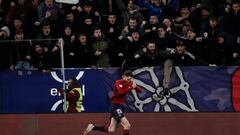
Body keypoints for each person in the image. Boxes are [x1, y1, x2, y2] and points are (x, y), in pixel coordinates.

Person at [84, 70, 142, 135]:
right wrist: (131, 87)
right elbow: (121, 92)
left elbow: (140, 91)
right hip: (115, 106)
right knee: (127, 125)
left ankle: (92, 127)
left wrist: (135, 86)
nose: (128, 81)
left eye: (130, 79)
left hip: (120, 107)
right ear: (124, 77)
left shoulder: (129, 83)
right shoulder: (118, 82)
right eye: (128, 79)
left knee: (111, 129)